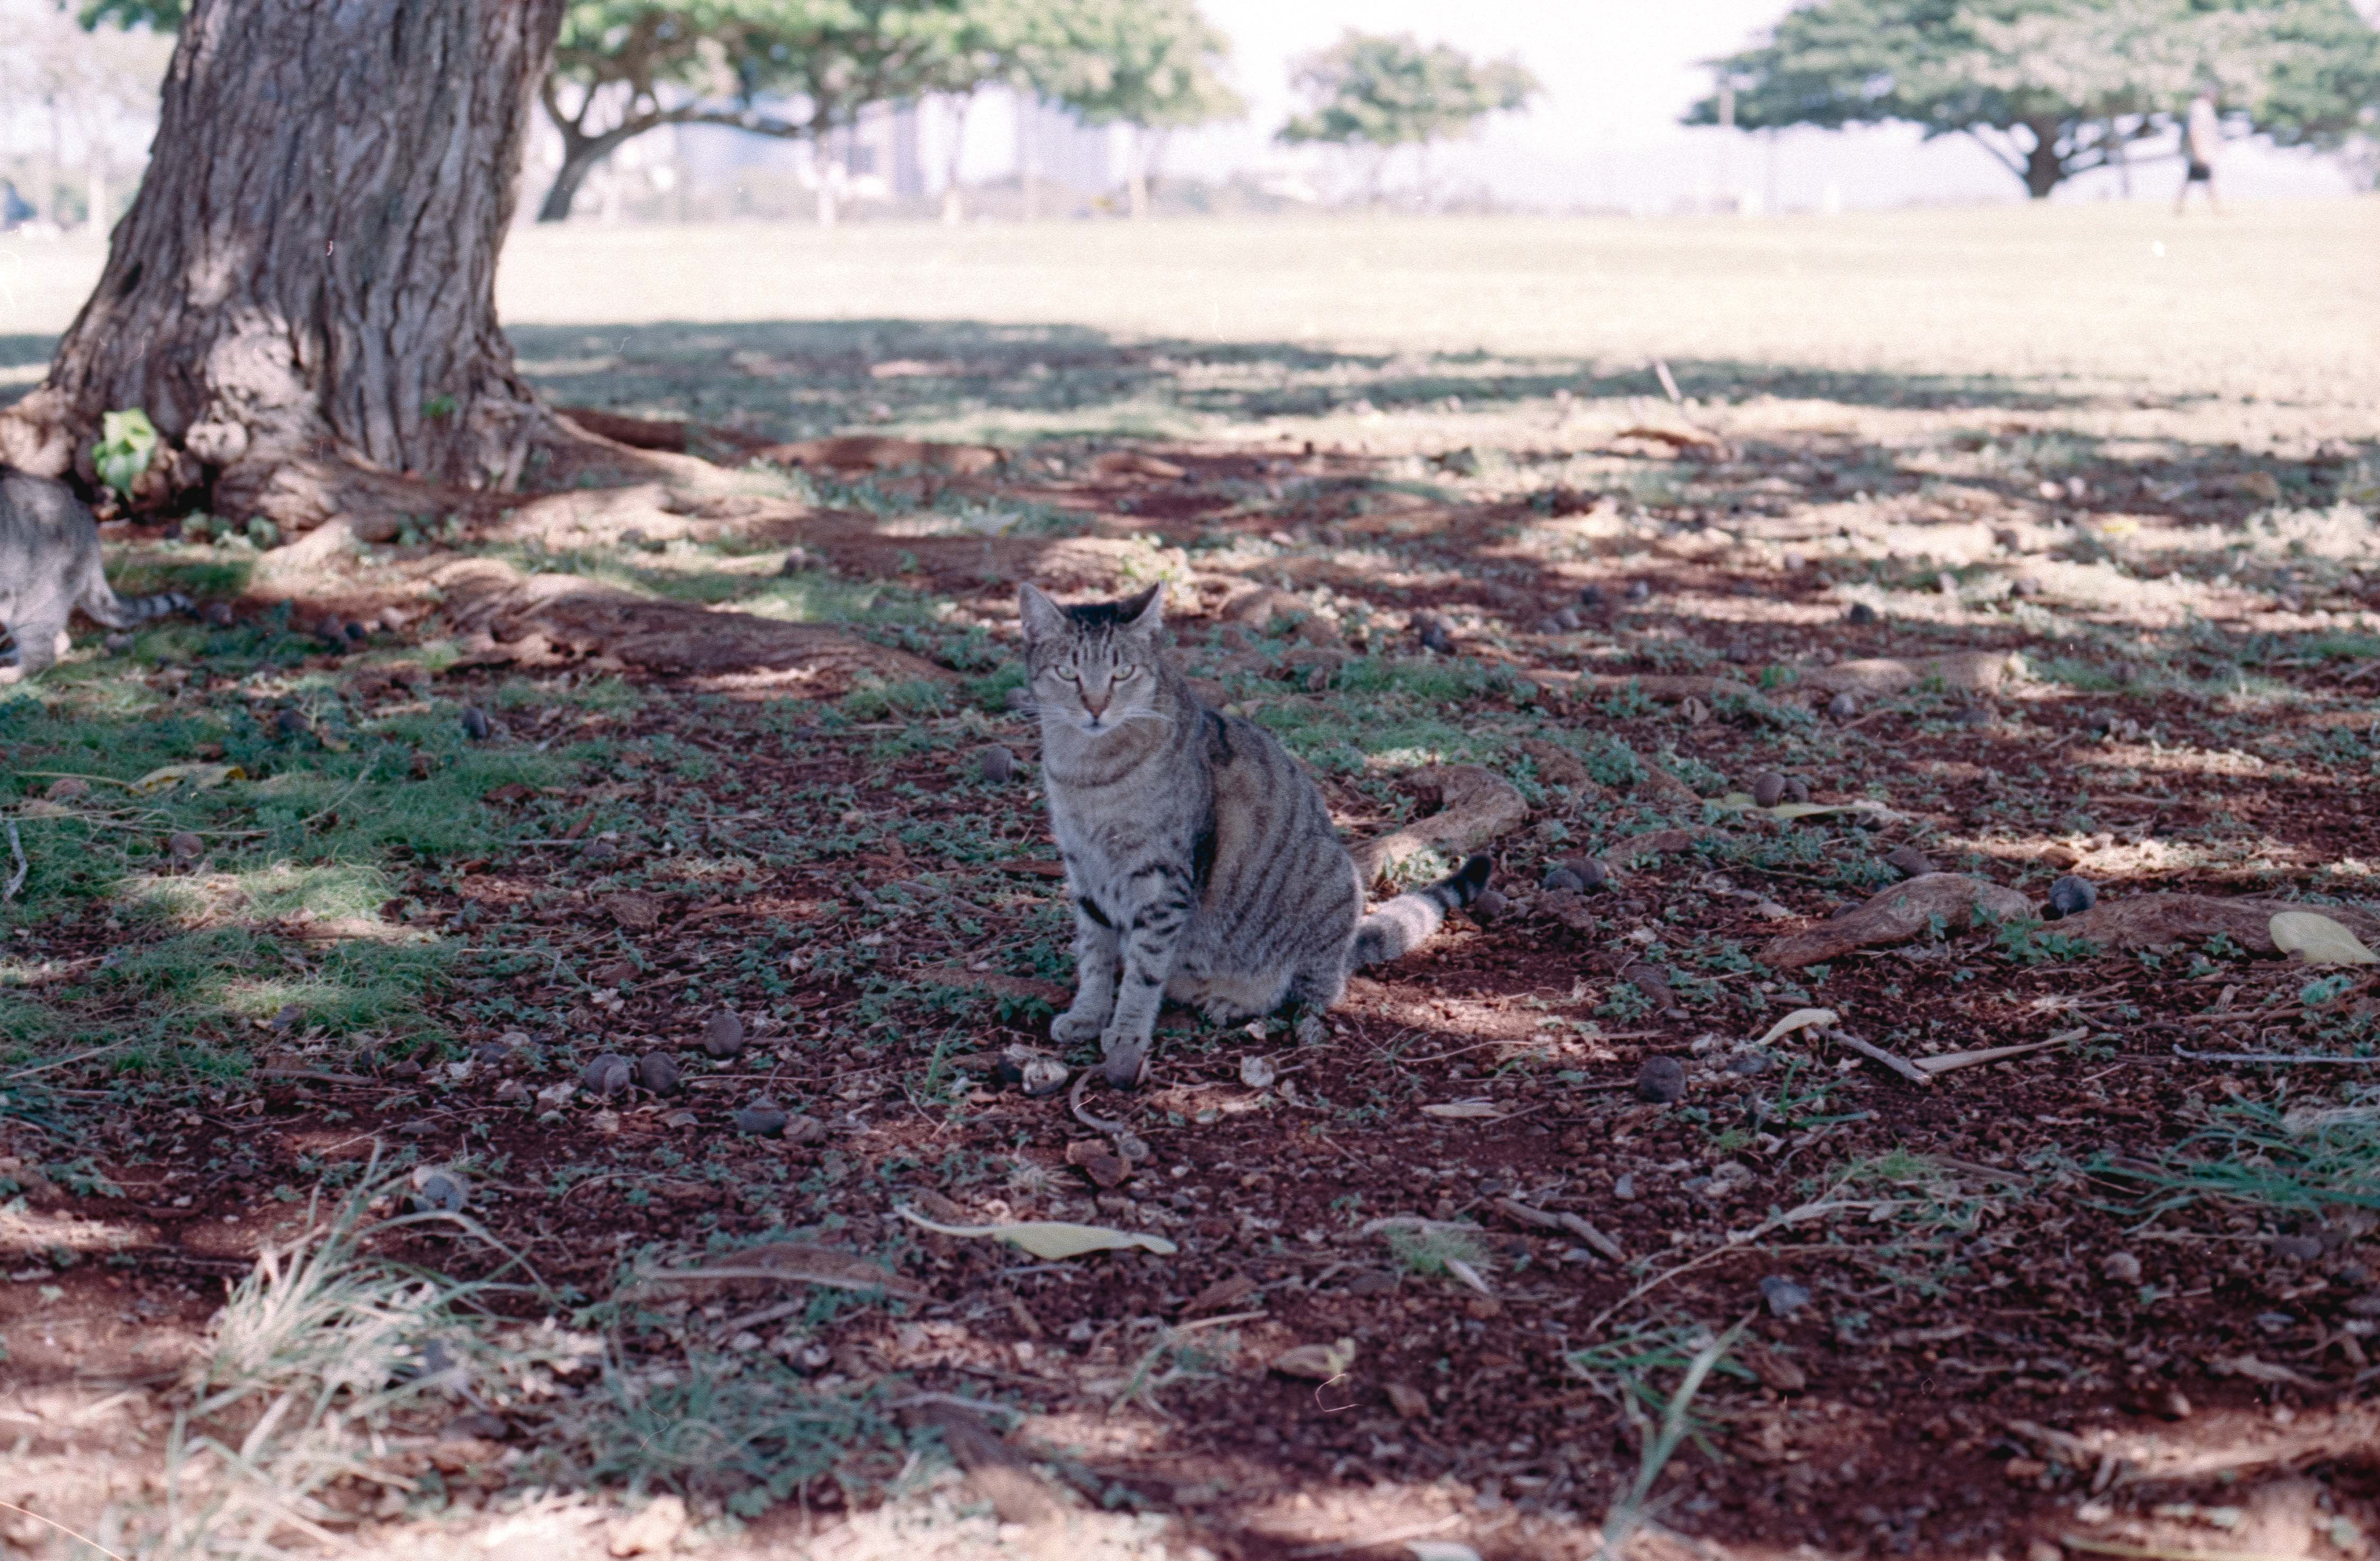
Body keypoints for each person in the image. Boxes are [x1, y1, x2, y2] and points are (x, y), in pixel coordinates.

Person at [2176, 90, 2221, 215]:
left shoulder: (2204, 108)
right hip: (2199, 152)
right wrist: (2198, 151)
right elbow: (2194, 130)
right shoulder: (2200, 108)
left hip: (2202, 151)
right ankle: (2217, 209)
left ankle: (2179, 207)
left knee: (2196, 179)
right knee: (2206, 178)